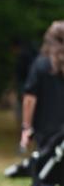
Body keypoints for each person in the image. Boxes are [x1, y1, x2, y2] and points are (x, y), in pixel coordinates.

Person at [20, 20, 64, 151]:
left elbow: (29, 99)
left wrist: (26, 128)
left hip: (46, 132)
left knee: (47, 167)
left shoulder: (41, 65)